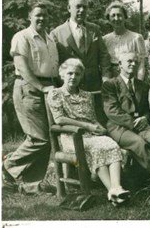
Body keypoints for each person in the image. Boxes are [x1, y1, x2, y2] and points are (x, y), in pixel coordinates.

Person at [47, 59, 129, 206]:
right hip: (71, 136)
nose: (73, 77)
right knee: (97, 148)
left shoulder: (87, 95)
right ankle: (112, 190)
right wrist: (86, 126)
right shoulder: (55, 94)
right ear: (62, 75)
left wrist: (99, 128)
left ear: (81, 76)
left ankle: (116, 188)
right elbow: (59, 119)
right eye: (70, 73)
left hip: (91, 134)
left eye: (77, 74)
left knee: (110, 144)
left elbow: (92, 119)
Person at [3, 2, 60, 194]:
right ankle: (7, 167)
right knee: (39, 138)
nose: (42, 18)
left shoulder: (50, 39)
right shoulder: (22, 37)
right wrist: (41, 87)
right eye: (38, 15)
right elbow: (22, 67)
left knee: (47, 138)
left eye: (45, 15)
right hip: (29, 88)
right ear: (30, 16)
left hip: (47, 88)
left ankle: (31, 184)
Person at [102, 51, 150, 182]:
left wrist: (145, 118)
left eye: (135, 62)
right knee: (139, 144)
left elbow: (148, 108)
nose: (133, 64)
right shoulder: (110, 85)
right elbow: (112, 111)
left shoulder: (143, 85)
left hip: (142, 124)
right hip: (119, 127)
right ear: (120, 65)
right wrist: (133, 122)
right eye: (129, 61)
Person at [50, 0, 112, 91]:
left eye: (85, 7)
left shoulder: (94, 29)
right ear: (69, 8)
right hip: (69, 87)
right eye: (78, 6)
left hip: (93, 85)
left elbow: (104, 56)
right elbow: (54, 64)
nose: (82, 10)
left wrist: (106, 79)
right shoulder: (56, 34)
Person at [103, 1, 147, 80]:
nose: (116, 18)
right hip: (112, 79)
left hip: (131, 78)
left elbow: (141, 64)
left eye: (119, 15)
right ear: (108, 19)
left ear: (125, 17)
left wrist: (139, 84)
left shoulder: (136, 37)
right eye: (113, 15)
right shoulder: (105, 39)